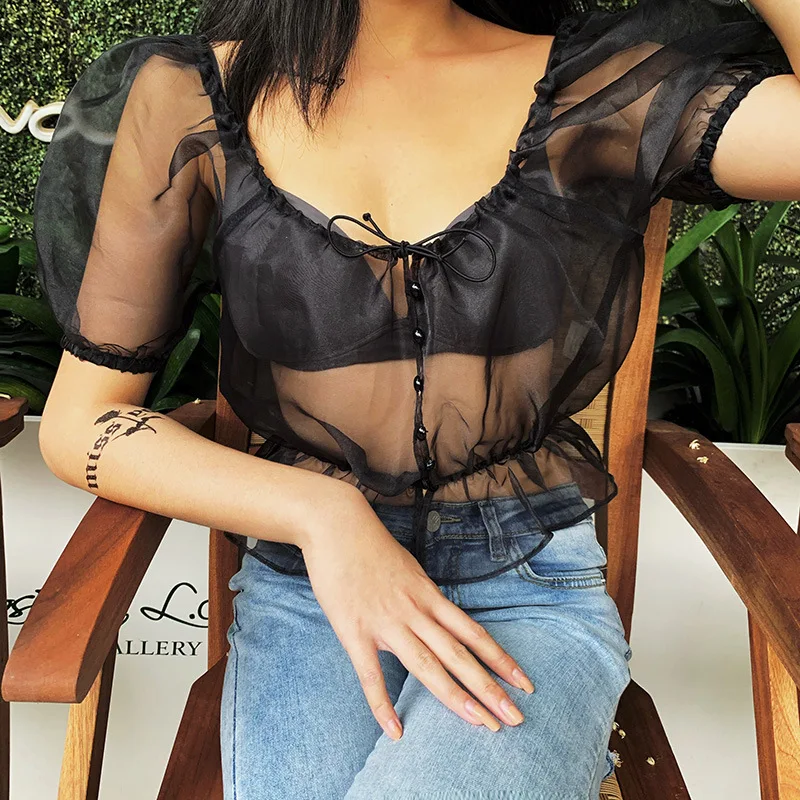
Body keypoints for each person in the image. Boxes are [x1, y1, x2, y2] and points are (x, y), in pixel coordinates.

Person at [32, 0, 798, 797]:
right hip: (309, 593)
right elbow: (82, 422)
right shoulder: (194, 92)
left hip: (526, 587)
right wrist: (322, 514)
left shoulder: (595, 85)